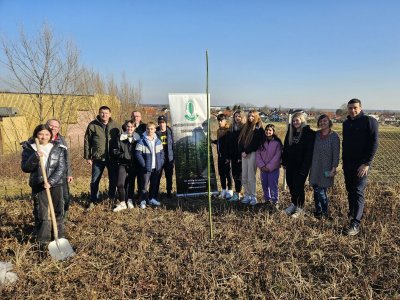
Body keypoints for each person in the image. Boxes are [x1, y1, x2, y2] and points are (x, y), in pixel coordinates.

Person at [21, 124, 66, 246]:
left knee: (58, 211)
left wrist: (51, 182)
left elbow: (61, 167)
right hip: (39, 185)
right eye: (41, 134)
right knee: (43, 214)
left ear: (51, 135)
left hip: (55, 184)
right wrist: (35, 156)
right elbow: (25, 168)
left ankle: (59, 238)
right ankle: (43, 242)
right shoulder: (29, 148)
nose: (44, 137)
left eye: (47, 134)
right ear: (36, 135)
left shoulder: (57, 147)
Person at [342, 99, 378, 235]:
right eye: (350, 108)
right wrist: (344, 162)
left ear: (360, 107)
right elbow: (345, 144)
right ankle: (352, 214)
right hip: (348, 164)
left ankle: (355, 224)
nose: (353, 110)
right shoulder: (346, 124)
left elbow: (374, 143)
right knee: (350, 191)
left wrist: (366, 163)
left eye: (355, 108)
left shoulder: (369, 121)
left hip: (362, 165)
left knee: (358, 191)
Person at [84, 106, 120, 209]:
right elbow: (87, 141)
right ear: (99, 113)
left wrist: (119, 155)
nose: (104, 115)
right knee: (95, 180)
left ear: (110, 114)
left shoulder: (116, 126)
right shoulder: (93, 125)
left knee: (113, 180)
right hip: (98, 158)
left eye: (106, 113)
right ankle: (93, 199)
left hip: (112, 158)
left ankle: (111, 198)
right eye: (102, 113)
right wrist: (87, 156)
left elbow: (121, 141)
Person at [282, 111, 315, 218]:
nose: (295, 122)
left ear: (302, 120)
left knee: (298, 186)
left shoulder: (308, 133)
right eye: (294, 120)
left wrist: (305, 167)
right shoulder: (291, 132)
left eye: (297, 120)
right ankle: (294, 204)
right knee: (291, 184)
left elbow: (309, 153)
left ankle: (300, 208)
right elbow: (286, 148)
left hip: (302, 166)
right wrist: (284, 161)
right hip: (290, 164)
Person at [309, 114, 340, 219]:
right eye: (321, 121)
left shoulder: (334, 136)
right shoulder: (316, 134)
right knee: (315, 189)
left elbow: (336, 154)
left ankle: (325, 213)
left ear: (329, 122)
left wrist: (333, 168)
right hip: (315, 167)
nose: (323, 123)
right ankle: (318, 211)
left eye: (325, 121)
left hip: (326, 168)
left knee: (321, 191)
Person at [46, 119, 73, 221]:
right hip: (46, 174)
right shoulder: (40, 138)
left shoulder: (62, 140)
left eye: (56, 127)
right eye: (51, 125)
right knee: (48, 199)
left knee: (65, 196)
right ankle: (52, 218)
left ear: (59, 129)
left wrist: (69, 173)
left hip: (61, 173)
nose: (53, 128)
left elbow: (66, 158)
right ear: (46, 125)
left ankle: (64, 215)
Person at [111, 121, 141, 212]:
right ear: (125, 127)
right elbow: (115, 151)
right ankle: (122, 203)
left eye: (131, 127)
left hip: (133, 164)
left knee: (131, 183)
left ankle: (130, 200)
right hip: (122, 164)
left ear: (134, 128)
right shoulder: (120, 137)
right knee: (120, 183)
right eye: (128, 127)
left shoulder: (138, 138)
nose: (129, 128)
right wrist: (124, 156)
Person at [135, 122, 165, 209]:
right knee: (144, 186)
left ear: (155, 130)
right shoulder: (141, 141)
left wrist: (161, 163)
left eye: (152, 129)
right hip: (146, 168)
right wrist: (144, 165)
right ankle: (143, 201)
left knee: (154, 185)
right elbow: (138, 154)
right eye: (148, 129)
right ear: (146, 129)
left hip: (156, 167)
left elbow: (162, 154)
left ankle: (151, 199)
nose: (150, 130)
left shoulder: (158, 141)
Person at [238, 110, 263, 205]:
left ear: (256, 117)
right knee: (244, 175)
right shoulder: (245, 127)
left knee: (251, 176)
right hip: (244, 154)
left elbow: (255, 142)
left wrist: (247, 151)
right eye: (249, 116)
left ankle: (253, 196)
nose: (250, 118)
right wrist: (242, 151)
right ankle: (247, 194)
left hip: (252, 153)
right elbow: (240, 140)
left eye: (253, 116)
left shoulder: (258, 128)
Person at [256, 124, 282, 208]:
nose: (268, 132)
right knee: (264, 184)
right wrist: (262, 166)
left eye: (270, 130)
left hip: (273, 169)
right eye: (266, 130)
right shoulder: (261, 142)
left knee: (273, 184)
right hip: (263, 169)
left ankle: (275, 201)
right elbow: (258, 154)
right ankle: (267, 200)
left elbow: (277, 156)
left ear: (273, 132)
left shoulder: (277, 143)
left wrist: (269, 167)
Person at [212, 113, 233, 199]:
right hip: (220, 156)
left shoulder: (228, 131)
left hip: (226, 156)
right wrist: (213, 141)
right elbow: (220, 142)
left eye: (221, 120)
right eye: (219, 121)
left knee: (228, 174)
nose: (220, 122)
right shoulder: (218, 131)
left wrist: (228, 157)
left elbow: (229, 145)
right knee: (221, 174)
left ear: (225, 120)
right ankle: (223, 190)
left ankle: (230, 191)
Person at [155, 115, 174, 199]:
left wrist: (174, 158)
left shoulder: (170, 132)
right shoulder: (155, 133)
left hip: (169, 158)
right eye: (160, 123)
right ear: (158, 123)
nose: (162, 124)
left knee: (169, 176)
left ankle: (169, 192)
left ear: (166, 123)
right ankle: (155, 192)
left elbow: (174, 145)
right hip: (159, 159)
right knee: (157, 176)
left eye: (163, 123)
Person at [130, 110, 147, 198]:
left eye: (137, 116)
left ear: (140, 117)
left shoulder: (145, 127)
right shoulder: (126, 126)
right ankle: (130, 196)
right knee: (131, 178)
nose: (135, 118)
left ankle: (140, 196)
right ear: (131, 117)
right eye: (134, 116)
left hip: (141, 156)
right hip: (130, 157)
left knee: (141, 179)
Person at [228, 110, 245, 201]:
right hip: (233, 155)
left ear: (242, 117)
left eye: (239, 116)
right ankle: (237, 192)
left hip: (240, 155)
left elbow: (243, 144)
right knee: (234, 174)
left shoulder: (244, 128)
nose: (237, 118)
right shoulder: (231, 127)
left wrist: (240, 156)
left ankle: (238, 193)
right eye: (236, 116)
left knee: (239, 175)